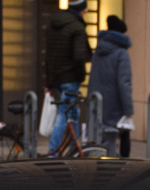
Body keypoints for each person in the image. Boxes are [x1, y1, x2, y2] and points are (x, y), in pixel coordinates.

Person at [45, 0, 90, 155]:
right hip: (70, 78)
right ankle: (53, 153)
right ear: (81, 10)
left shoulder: (53, 23)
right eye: (85, 10)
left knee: (73, 114)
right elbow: (79, 57)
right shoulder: (77, 27)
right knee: (63, 116)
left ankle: (75, 149)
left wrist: (49, 81)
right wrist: (80, 76)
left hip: (56, 77)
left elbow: (48, 55)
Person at [89, 15, 134, 157]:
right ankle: (124, 165)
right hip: (115, 104)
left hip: (98, 102)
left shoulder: (98, 51)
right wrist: (128, 109)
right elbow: (124, 83)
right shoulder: (121, 53)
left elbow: (93, 78)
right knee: (124, 133)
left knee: (101, 140)